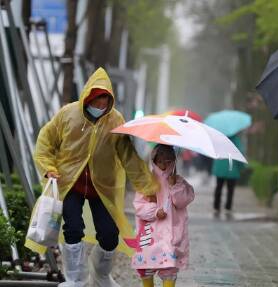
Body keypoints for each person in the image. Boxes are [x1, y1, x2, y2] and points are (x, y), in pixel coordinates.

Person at [26, 67, 159, 287]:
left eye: (105, 102)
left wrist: (148, 187)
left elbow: (129, 157)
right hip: (69, 184)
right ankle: (75, 279)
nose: (101, 107)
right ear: (87, 96)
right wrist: (48, 167)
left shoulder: (115, 120)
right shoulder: (67, 114)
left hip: (102, 187)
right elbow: (45, 141)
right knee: (73, 228)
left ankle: (101, 275)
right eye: (97, 101)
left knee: (109, 235)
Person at [130, 144, 195, 287]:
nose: (164, 165)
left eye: (168, 161)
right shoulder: (147, 182)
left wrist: (175, 187)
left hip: (172, 232)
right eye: (160, 161)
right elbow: (139, 206)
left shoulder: (179, 181)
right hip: (151, 234)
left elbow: (182, 201)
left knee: (170, 269)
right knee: (146, 267)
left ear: (173, 161)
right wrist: (154, 211)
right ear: (154, 161)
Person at [212, 134, 244, 212]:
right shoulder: (236, 140)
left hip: (220, 167)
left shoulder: (220, 138)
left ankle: (216, 206)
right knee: (230, 189)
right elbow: (239, 153)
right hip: (232, 168)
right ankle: (228, 207)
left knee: (219, 187)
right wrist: (241, 167)